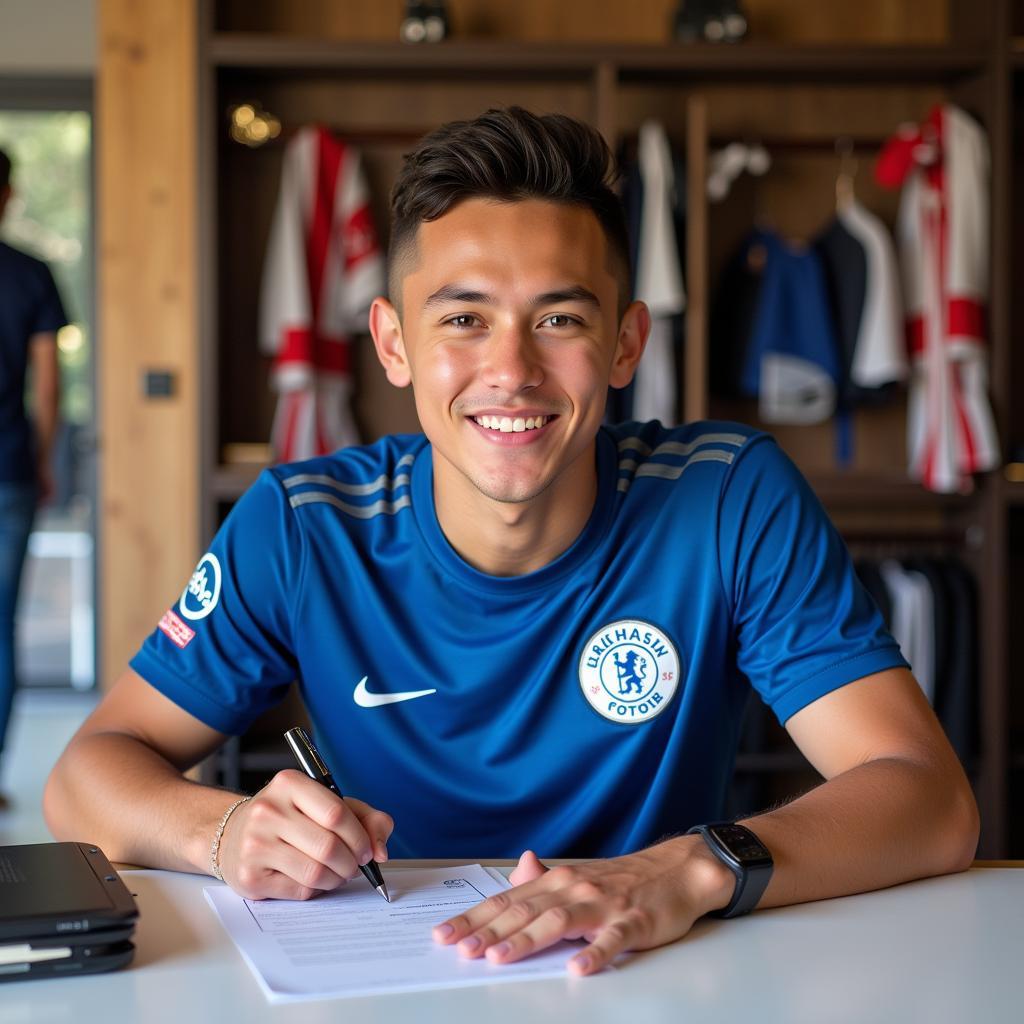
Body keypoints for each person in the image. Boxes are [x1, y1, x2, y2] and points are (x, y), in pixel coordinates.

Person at [45, 108, 978, 976]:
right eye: (463, 319)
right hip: (392, 973)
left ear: (625, 343)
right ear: (393, 342)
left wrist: (692, 870)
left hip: (658, 973)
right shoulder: (301, 522)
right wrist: (224, 831)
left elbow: (928, 800)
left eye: (559, 320)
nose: (511, 371)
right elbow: (87, 774)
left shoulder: (728, 495)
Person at [0, 147, 64, 808]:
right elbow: (48, 381)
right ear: (8, 193)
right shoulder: (30, 275)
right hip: (9, 469)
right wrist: (44, 458)